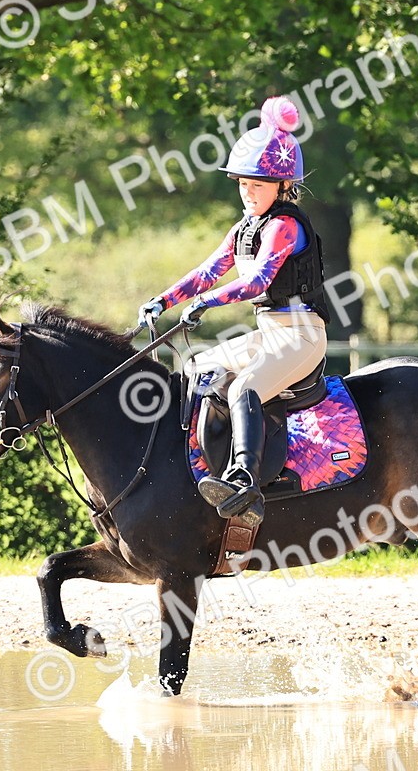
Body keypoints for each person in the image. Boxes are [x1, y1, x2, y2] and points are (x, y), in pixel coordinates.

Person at [138, 96, 330, 525]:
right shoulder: (244, 228)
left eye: (257, 185)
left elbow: (259, 282)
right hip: (270, 332)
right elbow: (209, 271)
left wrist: (206, 303)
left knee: (244, 389)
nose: (248, 193)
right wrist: (165, 300)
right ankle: (200, 465)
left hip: (301, 335)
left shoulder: (285, 225)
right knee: (199, 370)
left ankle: (245, 479)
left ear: (283, 186)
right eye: (243, 184)